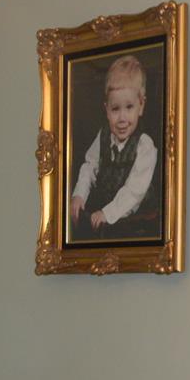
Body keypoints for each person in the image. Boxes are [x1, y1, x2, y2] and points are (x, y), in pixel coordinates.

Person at [69, 54, 160, 242]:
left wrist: (107, 213)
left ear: (141, 105)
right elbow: (89, 166)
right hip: (106, 219)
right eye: (115, 109)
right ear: (106, 109)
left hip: (138, 223)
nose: (122, 118)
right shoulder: (102, 137)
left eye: (129, 107)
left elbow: (134, 190)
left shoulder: (144, 145)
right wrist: (79, 195)